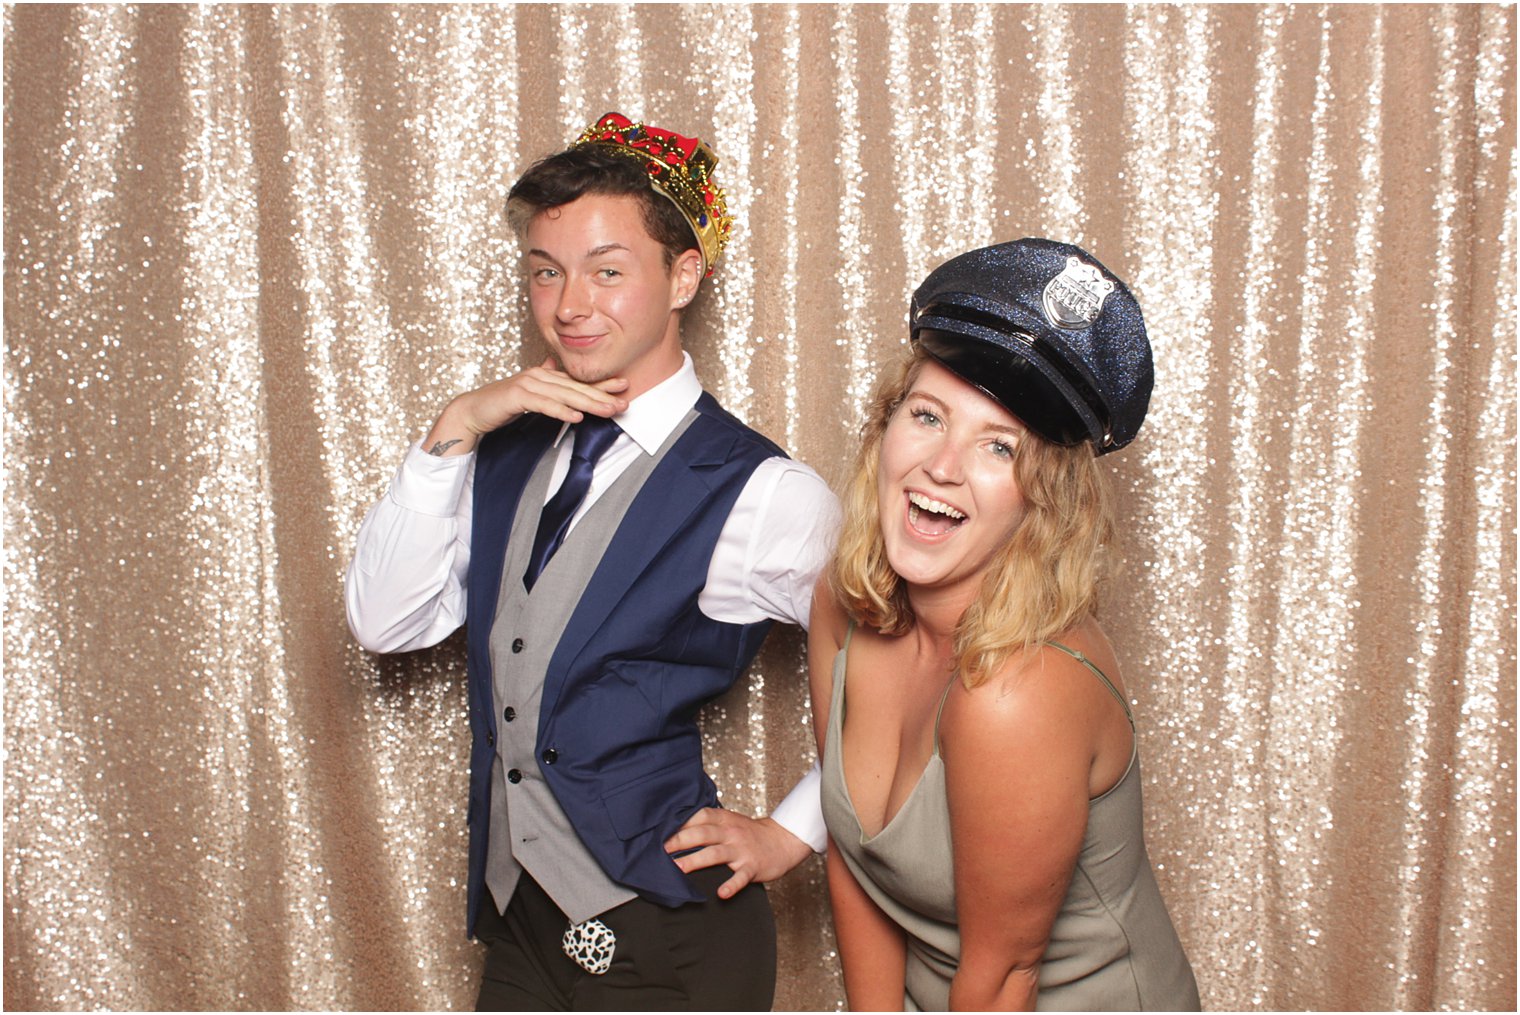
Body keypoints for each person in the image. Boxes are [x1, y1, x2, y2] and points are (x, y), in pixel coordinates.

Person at [345, 112, 836, 1010]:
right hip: (517, 921)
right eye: (546, 271)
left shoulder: (765, 490)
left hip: (667, 933)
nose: (570, 304)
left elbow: (918, 680)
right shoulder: (500, 447)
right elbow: (385, 622)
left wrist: (790, 833)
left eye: (608, 270)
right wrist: (455, 424)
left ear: (684, 274)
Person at [809, 239, 1201, 1011]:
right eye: (928, 416)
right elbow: (854, 863)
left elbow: (1000, 979)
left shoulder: (1017, 691)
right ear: (883, 430)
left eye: (998, 446)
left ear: (1042, 499)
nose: (943, 466)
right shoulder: (841, 601)